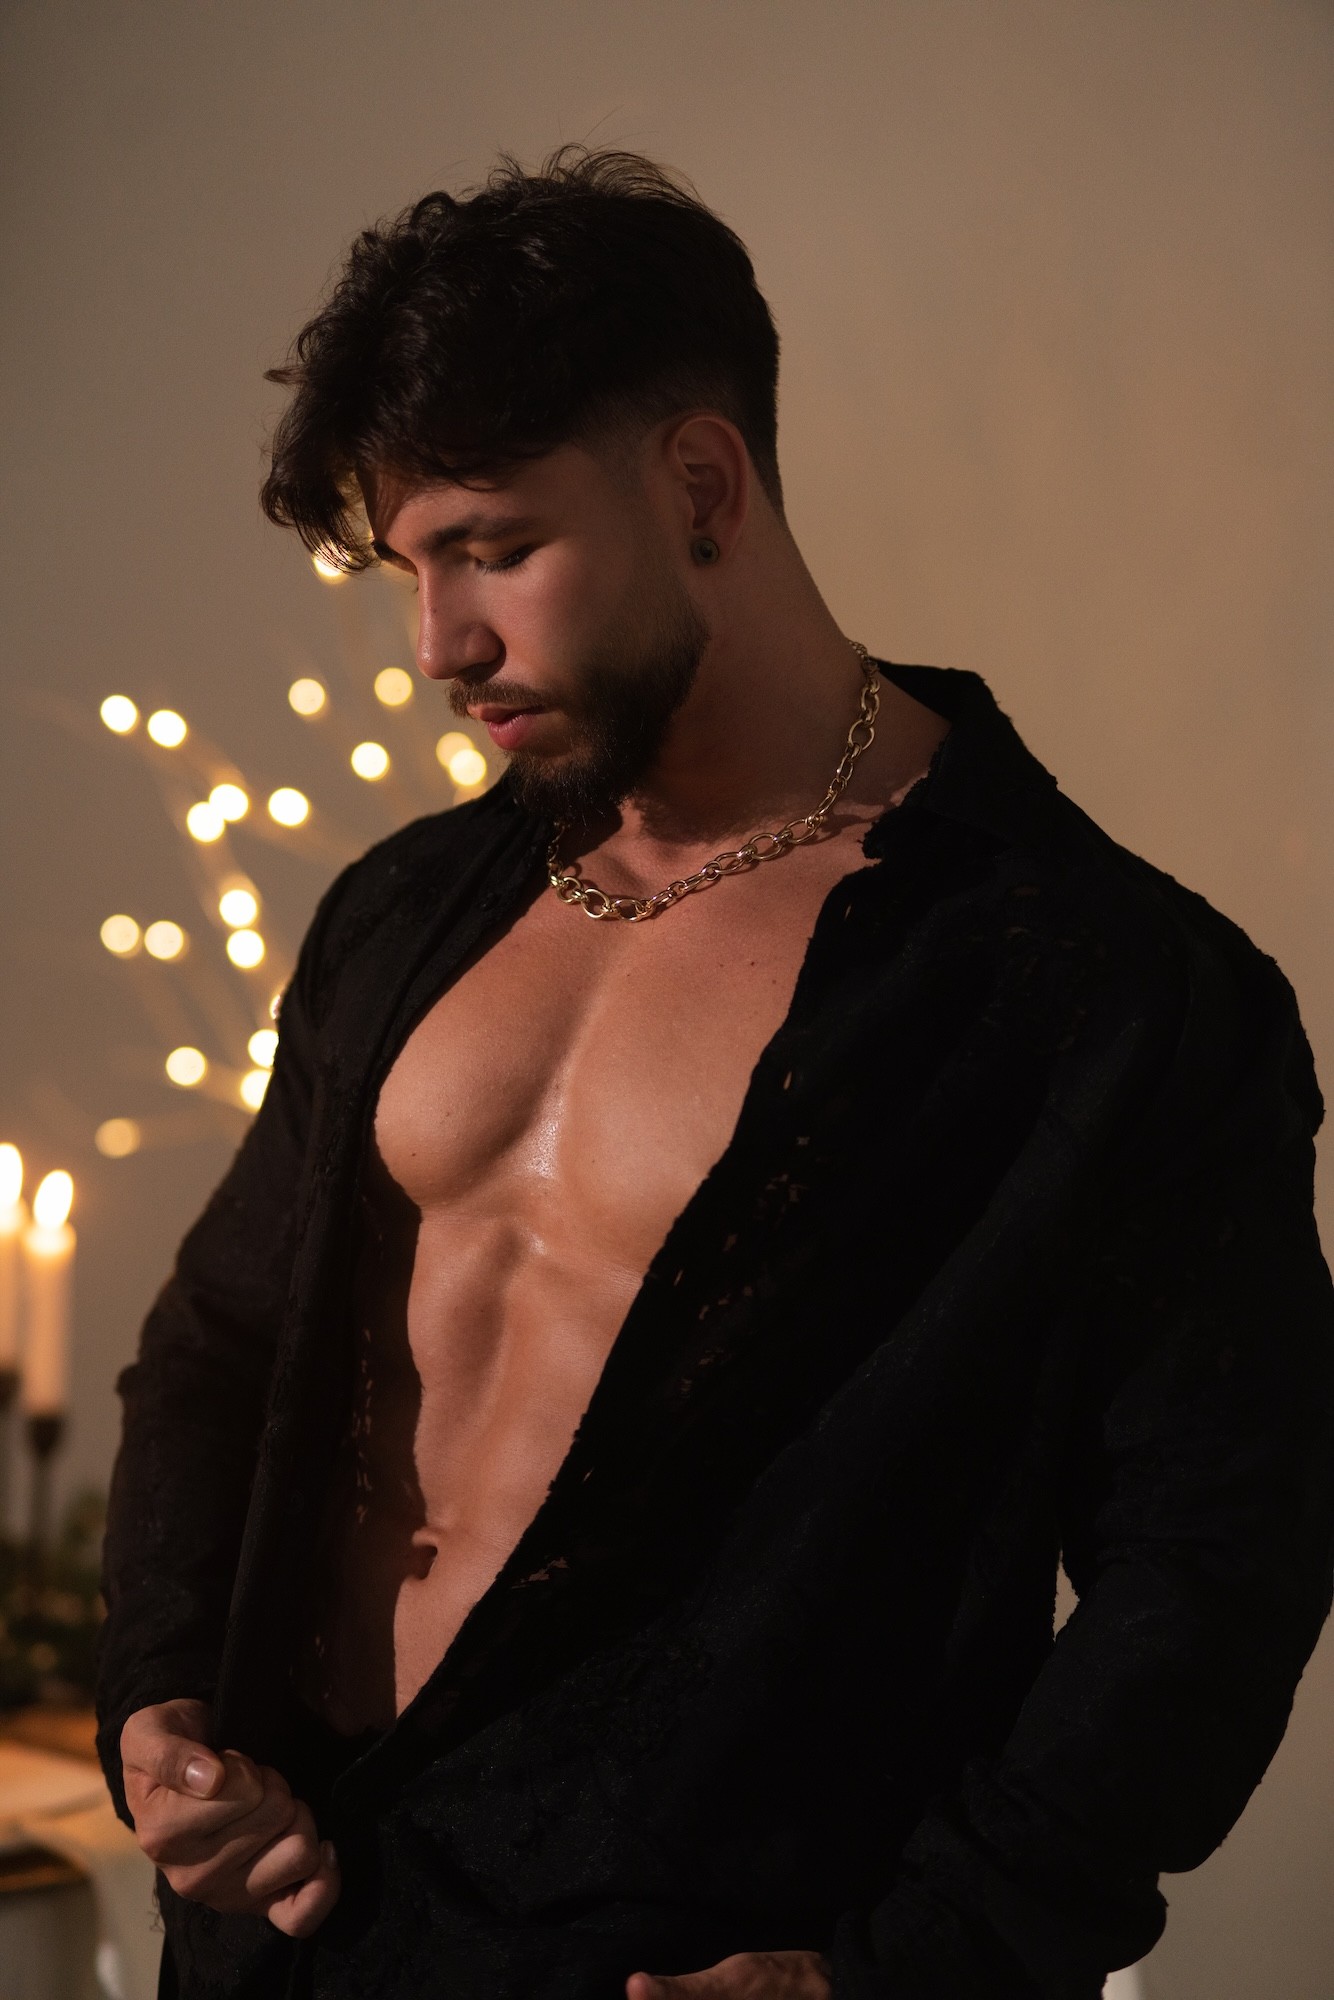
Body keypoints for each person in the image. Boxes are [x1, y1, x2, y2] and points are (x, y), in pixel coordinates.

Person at [95, 148, 1334, 2000]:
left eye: (493, 549)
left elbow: (1214, 1565)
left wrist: (916, 1965)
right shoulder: (407, 904)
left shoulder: (1105, 989)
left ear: (698, 484)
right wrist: (164, 1711)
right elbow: (221, 1342)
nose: (437, 645)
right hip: (290, 1931)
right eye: (409, 567)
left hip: (682, 1960)